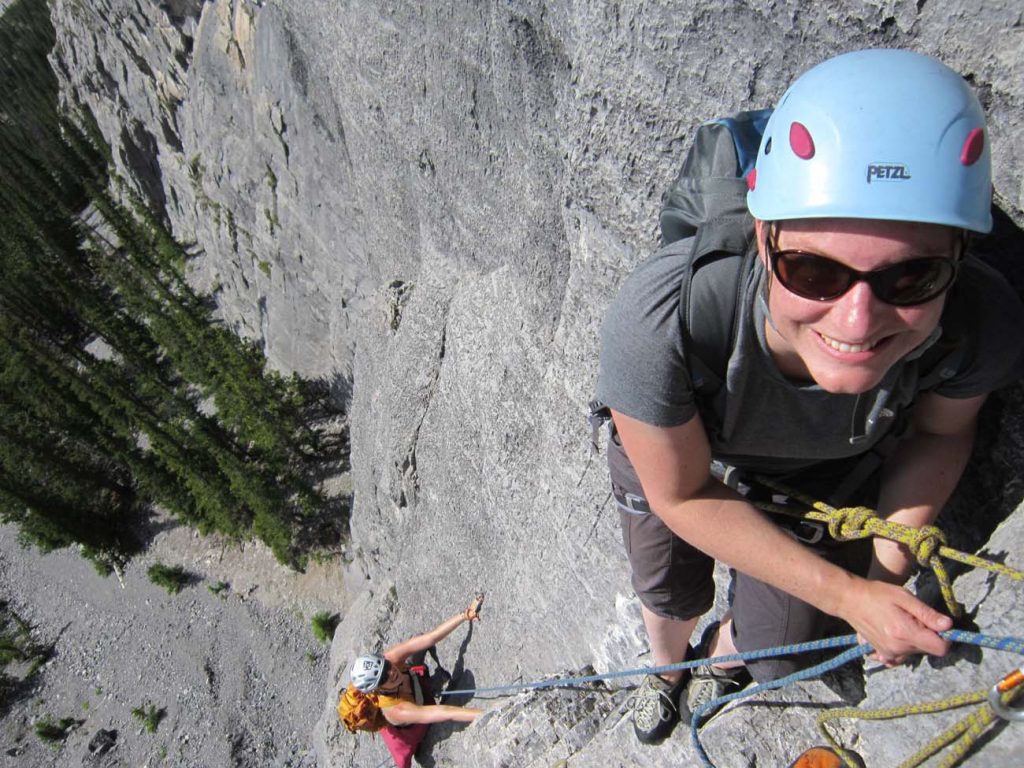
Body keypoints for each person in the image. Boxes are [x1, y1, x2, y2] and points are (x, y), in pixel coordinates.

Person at [597, 48, 1024, 745]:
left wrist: (884, 574)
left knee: (781, 652)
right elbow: (681, 494)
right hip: (677, 455)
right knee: (669, 587)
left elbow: (940, 434)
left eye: (912, 279)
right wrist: (849, 595)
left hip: (819, 476)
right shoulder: (662, 318)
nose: (857, 321)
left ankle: (721, 657)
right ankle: (667, 670)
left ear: (958, 260)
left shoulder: (980, 326)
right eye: (813, 271)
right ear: (762, 238)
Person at [343, 596, 484, 767]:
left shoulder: (391, 659)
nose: (391, 672)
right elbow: (445, 712)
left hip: (414, 687)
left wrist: (464, 615)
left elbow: (430, 638)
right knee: (404, 759)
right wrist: (486, 714)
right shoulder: (397, 711)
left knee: (418, 640)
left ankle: (431, 683)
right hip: (413, 718)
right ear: (377, 689)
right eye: (383, 678)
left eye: (386, 666)